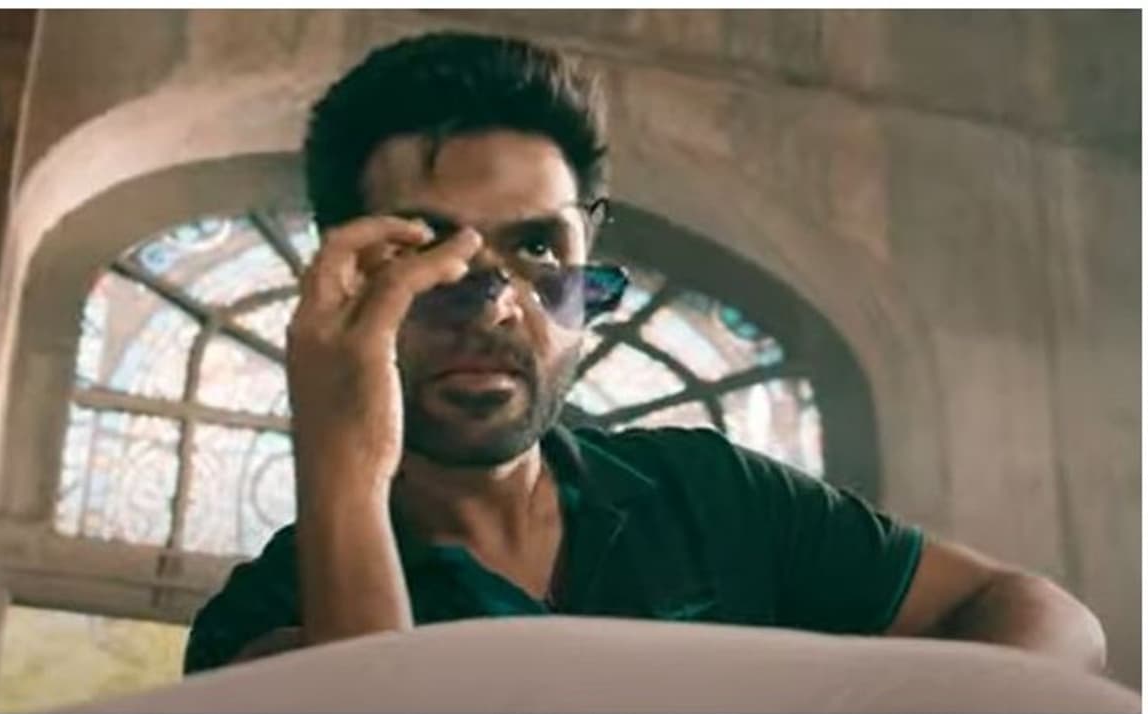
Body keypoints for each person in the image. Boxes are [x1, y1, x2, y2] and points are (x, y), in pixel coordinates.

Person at [184, 31, 1105, 676]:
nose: (496, 303)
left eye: (537, 247)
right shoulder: (267, 613)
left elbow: (1052, 621)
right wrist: (341, 464)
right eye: (430, 249)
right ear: (342, 277)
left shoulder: (710, 491)